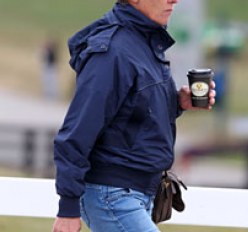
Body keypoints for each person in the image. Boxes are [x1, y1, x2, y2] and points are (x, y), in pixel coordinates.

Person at [52, 0, 216, 232]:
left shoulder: (143, 41)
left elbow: (132, 112)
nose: (174, 0)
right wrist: (67, 208)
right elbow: (76, 132)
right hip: (112, 195)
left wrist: (177, 103)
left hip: (136, 192)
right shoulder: (112, 51)